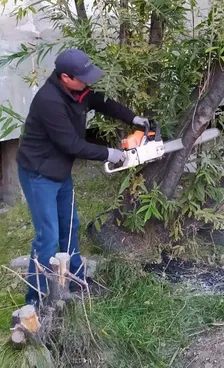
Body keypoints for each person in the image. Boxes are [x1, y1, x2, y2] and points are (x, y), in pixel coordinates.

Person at [16, 48, 149, 306]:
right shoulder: (50, 101)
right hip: (38, 174)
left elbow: (101, 102)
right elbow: (72, 144)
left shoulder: (77, 90)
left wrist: (133, 117)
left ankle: (75, 282)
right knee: (48, 237)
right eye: (82, 78)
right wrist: (109, 153)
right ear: (66, 77)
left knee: (70, 226)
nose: (87, 82)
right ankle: (36, 298)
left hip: (60, 171)